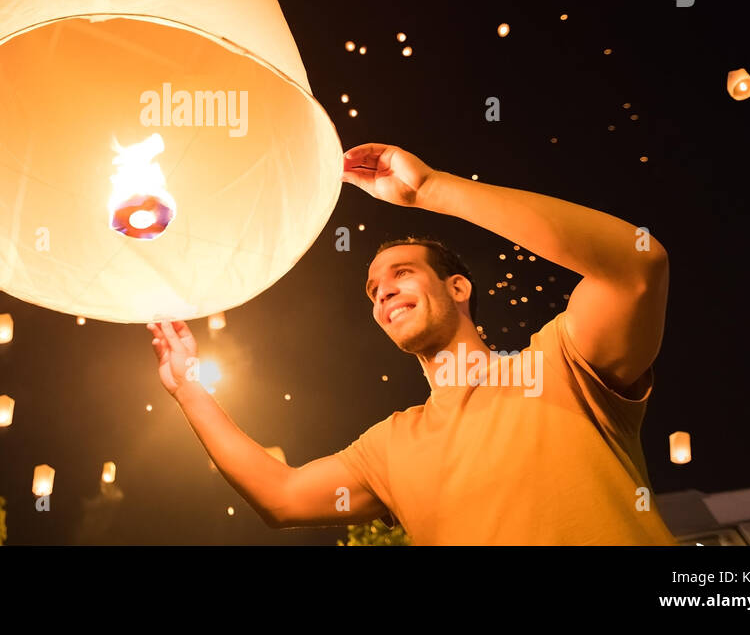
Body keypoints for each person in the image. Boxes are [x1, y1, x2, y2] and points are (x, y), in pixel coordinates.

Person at [148, 142, 678, 544]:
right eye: (374, 290)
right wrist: (188, 389)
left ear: (459, 287)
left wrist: (429, 190)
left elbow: (638, 264)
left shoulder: (561, 362)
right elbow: (281, 498)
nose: (384, 293)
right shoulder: (388, 446)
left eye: (401, 273)